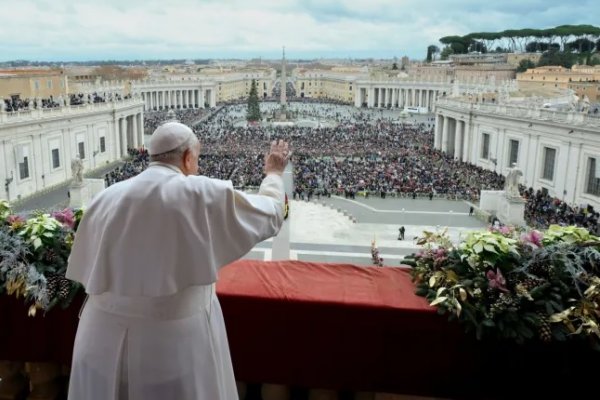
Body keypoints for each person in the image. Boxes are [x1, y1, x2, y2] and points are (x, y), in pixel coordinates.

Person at [66, 121, 289, 400]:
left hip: (98, 340)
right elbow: (270, 213)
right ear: (187, 158)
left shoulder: (105, 198)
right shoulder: (199, 192)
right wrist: (274, 174)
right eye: (196, 159)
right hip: (169, 347)